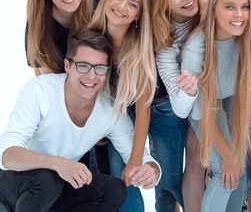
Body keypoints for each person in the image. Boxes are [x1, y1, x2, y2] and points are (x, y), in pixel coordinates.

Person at [0, 29, 160, 212]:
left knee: (114, 190)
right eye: (83, 65)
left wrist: (151, 170)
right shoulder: (40, 91)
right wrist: (58, 163)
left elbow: (139, 156)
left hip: (54, 187)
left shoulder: (109, 109)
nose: (91, 76)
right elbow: (7, 154)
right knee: (47, 181)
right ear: (67, 65)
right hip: (12, 182)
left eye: (100, 68)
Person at [181, 0, 251, 212]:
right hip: (204, 111)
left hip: (230, 101)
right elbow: (202, 114)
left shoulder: (245, 37)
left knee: (239, 172)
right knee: (226, 169)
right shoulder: (197, 50)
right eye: (230, 7)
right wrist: (229, 156)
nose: (239, 15)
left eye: (244, 7)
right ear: (213, 10)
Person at [88, 0, 157, 211]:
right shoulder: (89, 37)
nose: (122, 7)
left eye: (133, 4)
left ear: (139, 14)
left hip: (125, 120)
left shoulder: (139, 50)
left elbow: (143, 110)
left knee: (123, 173)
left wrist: (136, 160)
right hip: (92, 121)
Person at [147, 0, 212, 212]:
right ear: (162, 4)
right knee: (172, 175)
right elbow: (180, 108)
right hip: (174, 105)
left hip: (219, 96)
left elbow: (241, 2)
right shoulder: (165, 42)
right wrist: (189, 91)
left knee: (205, 164)